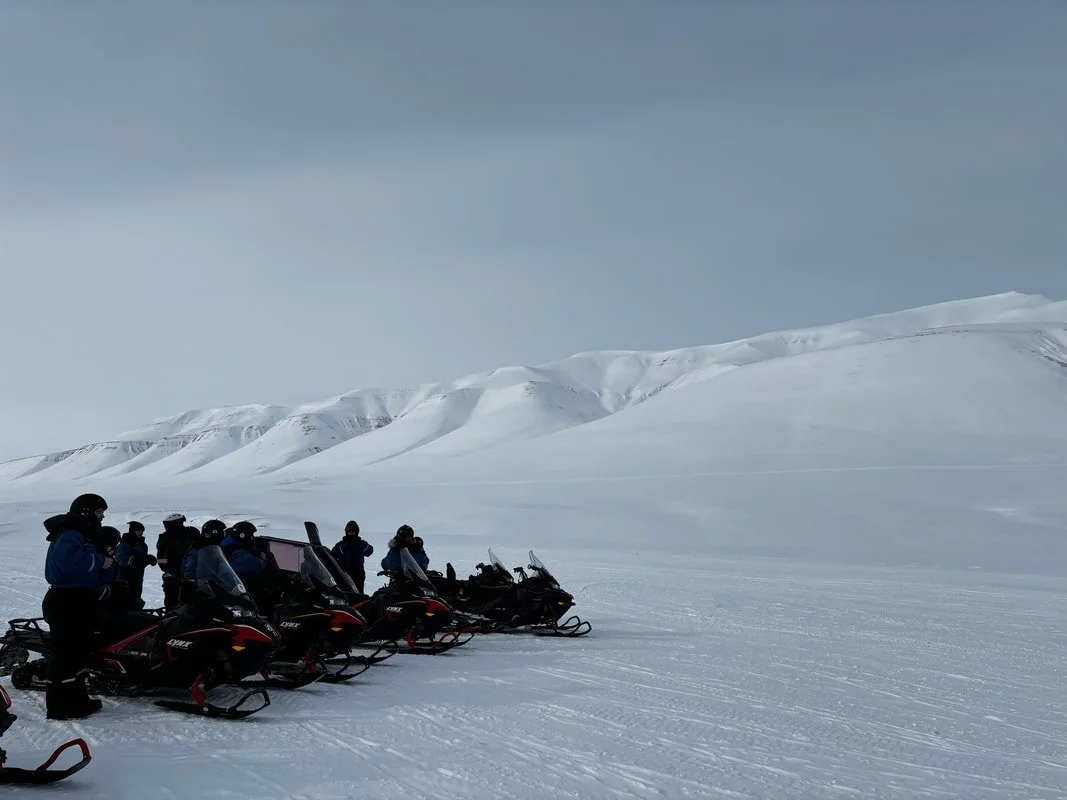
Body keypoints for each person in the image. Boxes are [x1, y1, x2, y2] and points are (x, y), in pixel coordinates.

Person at [41, 493, 112, 720]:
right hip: (66, 600)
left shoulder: (82, 534)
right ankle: (60, 706)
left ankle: (78, 700)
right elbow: (70, 562)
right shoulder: (71, 534)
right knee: (65, 655)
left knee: (78, 654)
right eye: (99, 512)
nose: (101, 516)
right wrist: (101, 561)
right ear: (86, 511)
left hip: (78, 599)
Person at [179, 520, 227, 605]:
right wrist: (195, 584)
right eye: (221, 533)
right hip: (197, 593)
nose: (223, 536)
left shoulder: (214, 548)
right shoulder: (198, 549)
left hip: (213, 590)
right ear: (215, 533)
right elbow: (191, 571)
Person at [155, 513, 194, 610]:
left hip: (191, 575)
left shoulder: (190, 533)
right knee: (172, 604)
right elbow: (162, 559)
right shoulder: (164, 539)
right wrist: (171, 570)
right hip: (173, 576)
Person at [115, 521, 156, 608]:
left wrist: (146, 561)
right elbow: (123, 560)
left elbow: (139, 562)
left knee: (136, 599)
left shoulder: (142, 544)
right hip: (126, 577)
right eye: (138, 531)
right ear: (132, 531)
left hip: (138, 577)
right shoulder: (125, 543)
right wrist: (145, 560)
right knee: (128, 601)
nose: (140, 532)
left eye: (141, 531)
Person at [330, 520, 374, 594]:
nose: (351, 534)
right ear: (346, 532)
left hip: (358, 572)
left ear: (357, 532)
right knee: (345, 592)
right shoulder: (342, 543)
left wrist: (361, 544)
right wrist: (345, 546)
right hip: (344, 572)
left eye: (353, 532)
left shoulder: (361, 543)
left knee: (359, 592)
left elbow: (369, 551)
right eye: (349, 532)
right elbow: (334, 553)